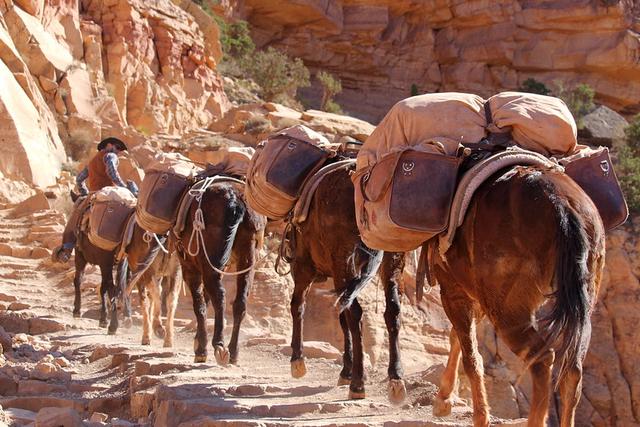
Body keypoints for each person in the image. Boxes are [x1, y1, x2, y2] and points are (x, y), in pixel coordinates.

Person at [52, 137, 138, 263]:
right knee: (133, 212)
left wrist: (85, 193)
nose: (118, 152)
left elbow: (79, 179)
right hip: (110, 193)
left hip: (94, 194)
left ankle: (66, 249)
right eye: (118, 148)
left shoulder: (92, 161)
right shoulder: (110, 156)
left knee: (76, 216)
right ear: (109, 145)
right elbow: (111, 172)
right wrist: (124, 188)